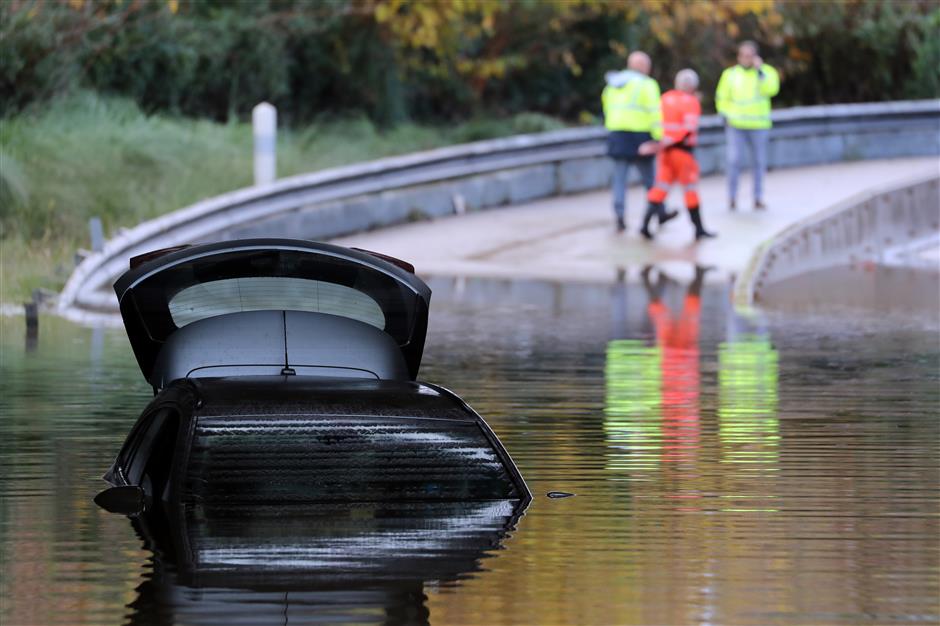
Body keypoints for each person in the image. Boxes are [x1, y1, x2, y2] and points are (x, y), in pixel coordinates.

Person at [602, 51, 676, 233]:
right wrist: (658, 137)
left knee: (620, 179)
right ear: (643, 66)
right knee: (650, 179)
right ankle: (660, 211)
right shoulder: (647, 84)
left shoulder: (612, 85)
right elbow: (655, 113)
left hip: (617, 135)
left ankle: (620, 217)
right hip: (641, 136)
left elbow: (606, 108)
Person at [642, 69, 715, 241]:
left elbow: (656, 122)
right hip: (682, 151)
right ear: (693, 86)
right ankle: (699, 229)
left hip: (665, 151)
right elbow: (689, 130)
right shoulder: (691, 101)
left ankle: (644, 225)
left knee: (660, 188)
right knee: (690, 189)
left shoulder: (665, 98)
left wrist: (660, 144)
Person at [716, 40, 780, 211]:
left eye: (750, 55)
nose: (746, 58)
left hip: (759, 125)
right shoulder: (730, 74)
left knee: (759, 162)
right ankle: (732, 197)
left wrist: (760, 71)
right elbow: (721, 97)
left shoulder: (766, 72)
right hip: (736, 125)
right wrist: (726, 115)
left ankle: (758, 198)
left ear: (756, 56)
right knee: (734, 160)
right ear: (738, 56)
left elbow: (771, 90)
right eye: (743, 55)